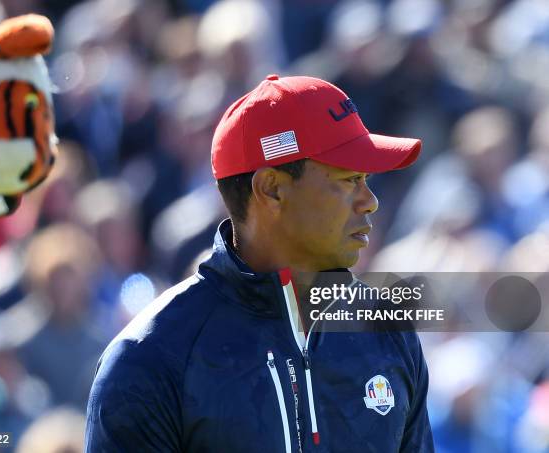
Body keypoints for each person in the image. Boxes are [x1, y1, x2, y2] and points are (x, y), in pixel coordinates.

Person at [85, 75, 434, 452]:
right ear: (271, 189)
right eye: (350, 179)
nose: (370, 201)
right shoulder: (149, 359)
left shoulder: (388, 332)